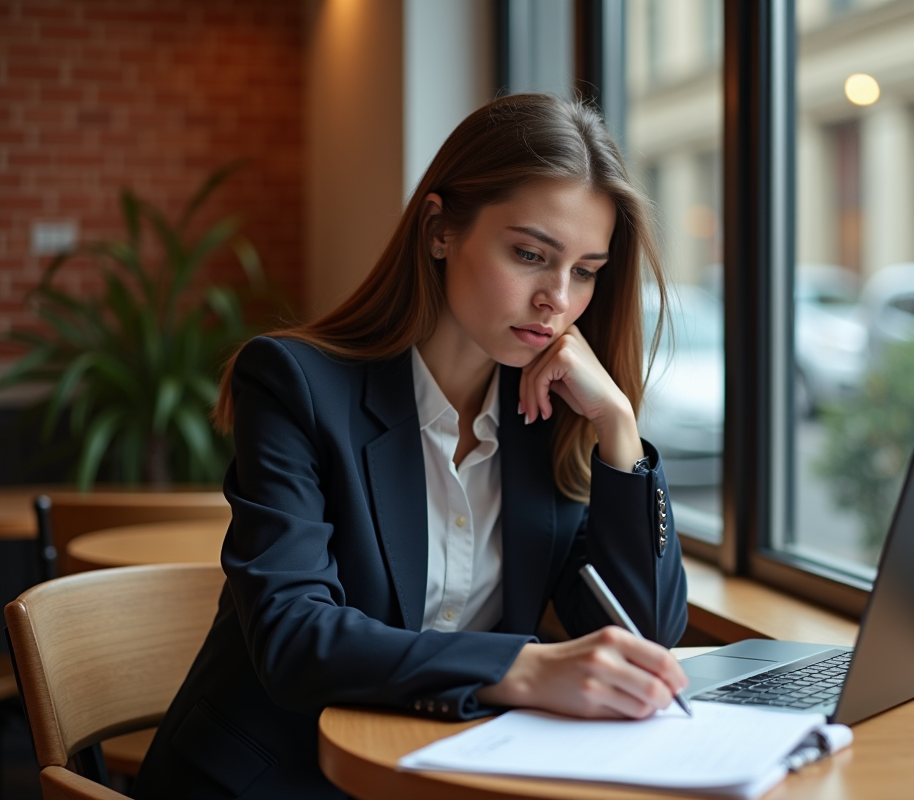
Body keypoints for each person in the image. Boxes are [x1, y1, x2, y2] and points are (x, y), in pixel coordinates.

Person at [133, 93, 689, 800]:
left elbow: (641, 632)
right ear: (439, 231)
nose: (557, 298)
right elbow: (293, 639)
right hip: (271, 782)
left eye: (585, 270)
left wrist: (617, 426)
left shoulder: (547, 416)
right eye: (529, 254)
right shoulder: (296, 386)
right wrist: (520, 668)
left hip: (451, 774)